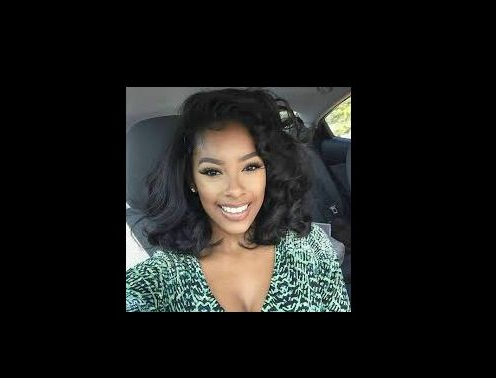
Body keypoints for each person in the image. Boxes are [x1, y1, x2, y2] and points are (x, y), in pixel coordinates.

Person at [126, 88, 350, 312]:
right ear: (192, 180)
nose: (235, 190)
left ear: (268, 172)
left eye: (250, 167)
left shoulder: (313, 247)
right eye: (212, 171)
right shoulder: (158, 280)